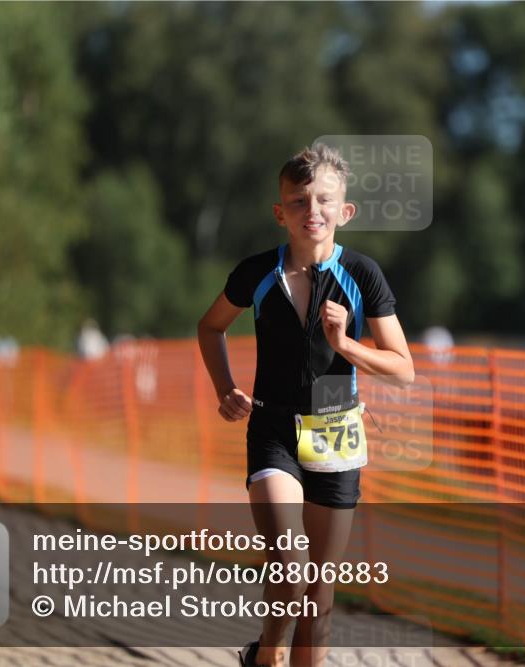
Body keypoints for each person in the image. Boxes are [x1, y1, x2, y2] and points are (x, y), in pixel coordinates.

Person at [197, 143, 414, 667]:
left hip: (337, 429)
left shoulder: (362, 274)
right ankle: (267, 654)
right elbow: (210, 327)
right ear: (280, 212)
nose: (311, 211)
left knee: (319, 598)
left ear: (345, 211)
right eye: (298, 201)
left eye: (324, 200)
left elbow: (403, 369)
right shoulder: (257, 272)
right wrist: (224, 386)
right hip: (272, 428)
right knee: (290, 571)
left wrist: (347, 346)